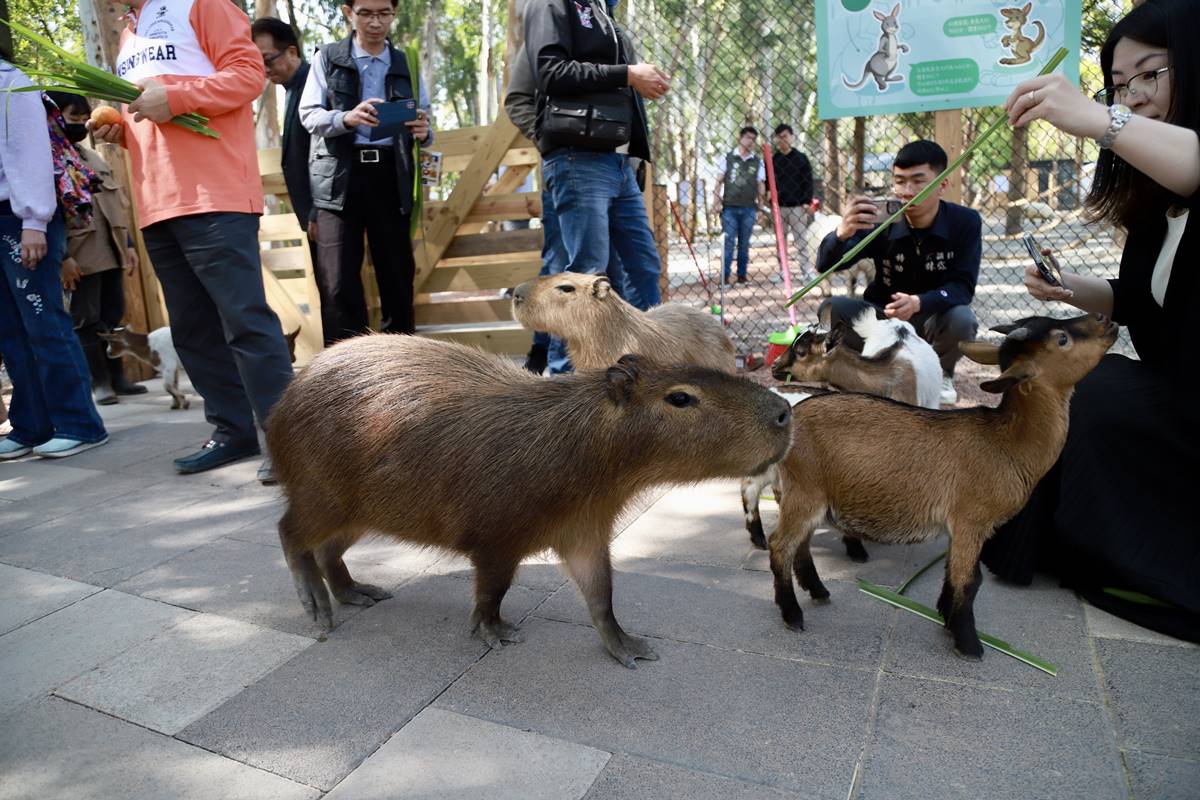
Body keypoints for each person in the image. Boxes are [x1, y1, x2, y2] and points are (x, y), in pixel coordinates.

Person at [980, 0, 1199, 641]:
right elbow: (1142, 300)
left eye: (1150, 74)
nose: (1136, 95)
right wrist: (1071, 290)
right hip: (1175, 394)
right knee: (1043, 372)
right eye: (1121, 84)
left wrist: (1102, 118)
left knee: (1090, 391)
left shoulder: (1179, 159)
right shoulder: (1158, 206)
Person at [90, 0, 294, 482]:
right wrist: (119, 128)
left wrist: (175, 98)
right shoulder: (129, 30)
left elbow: (247, 77)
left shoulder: (203, 5)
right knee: (191, 329)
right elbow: (156, 114)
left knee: (244, 322)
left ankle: (290, 445)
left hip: (214, 194)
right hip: (157, 200)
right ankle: (231, 431)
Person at [504, 39, 643, 375]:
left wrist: (635, 157)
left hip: (620, 167)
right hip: (571, 164)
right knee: (572, 269)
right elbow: (517, 99)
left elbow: (633, 103)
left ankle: (631, 370)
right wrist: (549, 138)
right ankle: (561, 373)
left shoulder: (617, 36)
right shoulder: (549, 32)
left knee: (625, 276)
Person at [299, 0, 433, 344]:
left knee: (397, 275)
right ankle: (345, 372)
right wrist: (346, 117)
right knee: (337, 280)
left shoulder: (407, 63)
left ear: (394, 13)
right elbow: (309, 114)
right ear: (349, 13)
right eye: (366, 13)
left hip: (391, 176)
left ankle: (401, 367)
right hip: (339, 179)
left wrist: (424, 130)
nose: (375, 22)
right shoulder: (327, 58)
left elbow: (425, 115)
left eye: (383, 13)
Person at [524, 0, 666, 318]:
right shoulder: (551, 4)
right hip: (577, 159)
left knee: (643, 265)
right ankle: (580, 367)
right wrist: (627, 74)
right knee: (587, 276)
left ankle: (650, 361)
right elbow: (550, 72)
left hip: (618, 160)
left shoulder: (601, 7)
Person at [815, 139, 981, 405]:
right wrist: (841, 233)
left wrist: (919, 302)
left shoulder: (965, 222)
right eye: (900, 181)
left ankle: (942, 372)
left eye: (918, 181)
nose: (907, 191)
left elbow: (963, 287)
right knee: (831, 308)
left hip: (932, 318)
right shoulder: (883, 222)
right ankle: (868, 370)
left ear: (942, 184)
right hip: (883, 318)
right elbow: (826, 266)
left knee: (963, 320)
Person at [0, 56, 108, 460]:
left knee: (44, 323)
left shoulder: (13, 83)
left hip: (21, 216)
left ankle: (80, 424)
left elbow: (28, 155)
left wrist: (34, 220)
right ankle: (31, 425)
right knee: (11, 330)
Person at [49, 92, 147, 407]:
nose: (79, 125)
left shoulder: (91, 157)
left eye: (82, 120)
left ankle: (118, 377)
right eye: (72, 119)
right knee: (86, 319)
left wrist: (128, 245)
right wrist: (63, 256)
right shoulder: (48, 158)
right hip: (81, 253)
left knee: (113, 314)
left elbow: (114, 203)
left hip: (112, 250)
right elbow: (50, 213)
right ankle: (99, 382)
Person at [251, 18, 317, 244]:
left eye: (268, 60)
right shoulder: (290, 89)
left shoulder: (316, 86)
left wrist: (318, 211)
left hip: (326, 214)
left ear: (292, 51)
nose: (264, 69)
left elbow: (329, 152)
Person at [713, 126, 766, 286]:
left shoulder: (758, 162)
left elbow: (760, 186)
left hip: (749, 208)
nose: (751, 142)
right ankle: (725, 277)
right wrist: (715, 203)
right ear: (740, 138)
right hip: (729, 207)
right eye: (748, 138)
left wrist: (761, 208)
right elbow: (718, 181)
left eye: (753, 139)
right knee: (728, 243)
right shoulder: (728, 158)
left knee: (744, 244)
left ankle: (742, 275)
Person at [770, 124, 814, 277]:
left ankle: (806, 270)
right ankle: (783, 270)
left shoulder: (801, 158)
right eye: (779, 137)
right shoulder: (773, 160)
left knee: (801, 240)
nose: (783, 140)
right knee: (780, 241)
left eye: (785, 136)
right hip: (779, 206)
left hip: (798, 206)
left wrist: (806, 201)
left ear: (792, 137)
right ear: (776, 139)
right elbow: (768, 183)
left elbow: (808, 181)